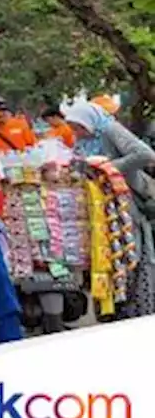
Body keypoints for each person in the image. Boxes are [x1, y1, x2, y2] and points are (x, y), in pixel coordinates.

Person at [63, 101, 155, 319]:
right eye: (73, 127)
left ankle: (137, 307)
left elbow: (145, 154)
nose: (76, 132)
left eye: (78, 126)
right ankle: (111, 307)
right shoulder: (84, 139)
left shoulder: (110, 130)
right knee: (106, 253)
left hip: (126, 200)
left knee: (130, 251)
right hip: (100, 204)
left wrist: (109, 168)